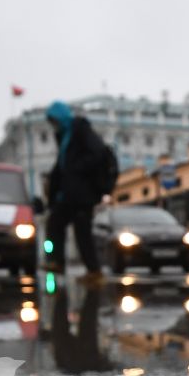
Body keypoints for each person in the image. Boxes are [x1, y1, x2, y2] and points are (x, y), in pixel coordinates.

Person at [43, 99, 115, 281]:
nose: (54, 126)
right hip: (69, 194)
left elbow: (97, 153)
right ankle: (56, 261)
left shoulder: (80, 130)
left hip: (83, 193)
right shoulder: (64, 136)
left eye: (54, 121)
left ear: (61, 117)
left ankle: (94, 270)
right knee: (54, 224)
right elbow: (61, 166)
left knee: (81, 231)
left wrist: (75, 169)